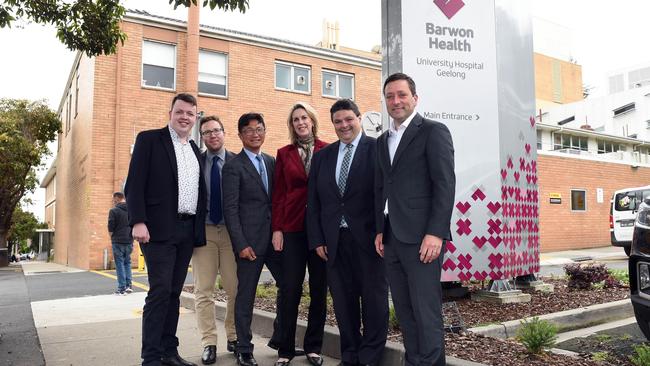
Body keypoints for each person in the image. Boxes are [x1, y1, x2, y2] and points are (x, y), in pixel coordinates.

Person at [374, 73, 455, 366]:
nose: (396, 101)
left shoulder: (433, 131)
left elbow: (444, 185)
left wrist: (436, 233)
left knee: (426, 312)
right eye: (390, 97)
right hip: (393, 238)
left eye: (401, 95)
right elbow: (383, 188)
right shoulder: (383, 140)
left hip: (423, 239)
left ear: (415, 98)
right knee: (406, 312)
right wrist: (380, 230)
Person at [125, 93, 206, 366]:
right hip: (157, 229)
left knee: (174, 293)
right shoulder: (149, 140)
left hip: (186, 229)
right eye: (180, 112)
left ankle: (169, 352)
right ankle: (151, 357)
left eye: (190, 113)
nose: (185, 117)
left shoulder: (194, 149)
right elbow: (134, 183)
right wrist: (138, 220)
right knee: (160, 291)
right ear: (170, 113)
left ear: (196, 117)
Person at [307, 99, 389, 366]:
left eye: (348, 120)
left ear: (359, 118)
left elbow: (383, 196)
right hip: (334, 242)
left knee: (374, 302)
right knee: (343, 303)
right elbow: (315, 202)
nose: (344, 125)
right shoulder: (322, 156)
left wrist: (382, 232)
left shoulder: (378, 148)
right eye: (338, 122)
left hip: (369, 240)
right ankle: (350, 355)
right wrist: (317, 239)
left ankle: (370, 357)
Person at [222, 112, 281, 366]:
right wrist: (241, 244)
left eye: (259, 129)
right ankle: (244, 348)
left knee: (289, 287)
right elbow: (230, 210)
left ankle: (282, 340)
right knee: (245, 295)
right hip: (249, 244)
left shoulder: (271, 161)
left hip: (276, 240)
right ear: (240, 135)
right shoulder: (233, 166)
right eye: (249, 130)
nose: (255, 133)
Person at [271, 103, 328, 366]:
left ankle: (313, 347)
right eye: (295, 119)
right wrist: (277, 229)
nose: (300, 122)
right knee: (290, 289)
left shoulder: (328, 150)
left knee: (318, 290)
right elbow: (279, 194)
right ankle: (285, 349)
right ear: (291, 125)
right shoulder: (284, 153)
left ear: (313, 121)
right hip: (292, 229)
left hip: (320, 232)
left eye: (304, 117)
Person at [192, 115, 238, 365]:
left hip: (231, 234)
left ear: (224, 132)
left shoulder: (237, 161)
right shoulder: (194, 161)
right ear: (202, 136)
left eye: (216, 130)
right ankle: (209, 342)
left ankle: (233, 335)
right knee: (203, 290)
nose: (212, 135)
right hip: (205, 233)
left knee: (235, 288)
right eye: (207, 132)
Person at [108, 191, 133, 295]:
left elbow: (111, 227)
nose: (113, 201)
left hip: (117, 241)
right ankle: (128, 286)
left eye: (113, 199)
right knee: (127, 263)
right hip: (129, 240)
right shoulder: (131, 210)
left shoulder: (114, 211)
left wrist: (111, 237)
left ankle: (121, 288)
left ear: (117, 198)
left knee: (119, 264)